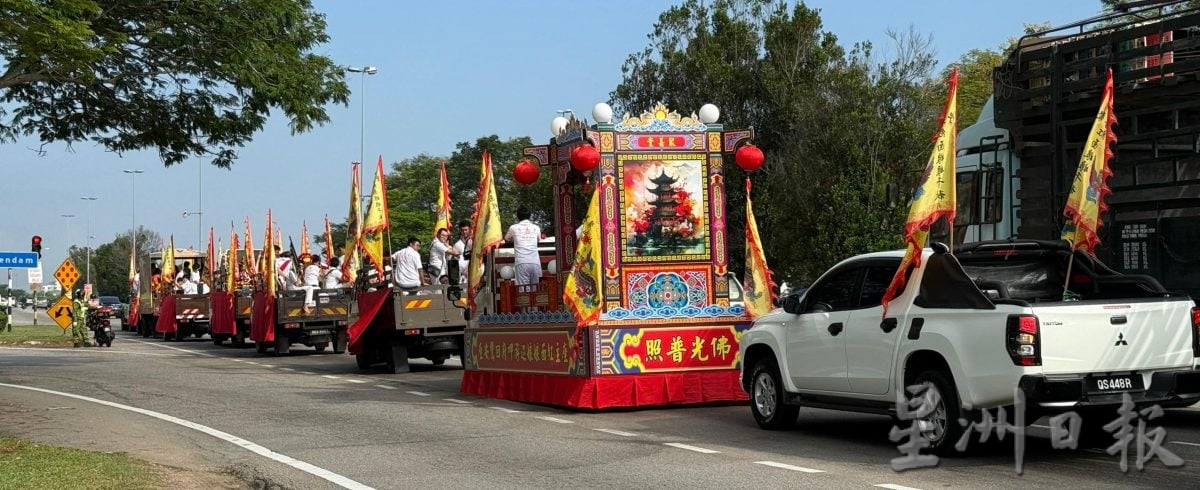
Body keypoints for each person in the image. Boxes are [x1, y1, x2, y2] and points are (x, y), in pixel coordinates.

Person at [505, 205, 543, 290]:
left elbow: (506, 239)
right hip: (535, 262)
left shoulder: (513, 228)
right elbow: (539, 239)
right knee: (536, 290)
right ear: (529, 215)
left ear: (518, 216)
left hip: (521, 262)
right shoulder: (536, 228)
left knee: (524, 292)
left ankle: (527, 303)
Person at [453, 220, 472, 285]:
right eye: (462, 230)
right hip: (462, 275)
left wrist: (468, 269)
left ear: (470, 229)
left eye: (466, 230)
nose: (464, 232)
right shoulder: (457, 244)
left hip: (472, 271)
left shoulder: (473, 241)